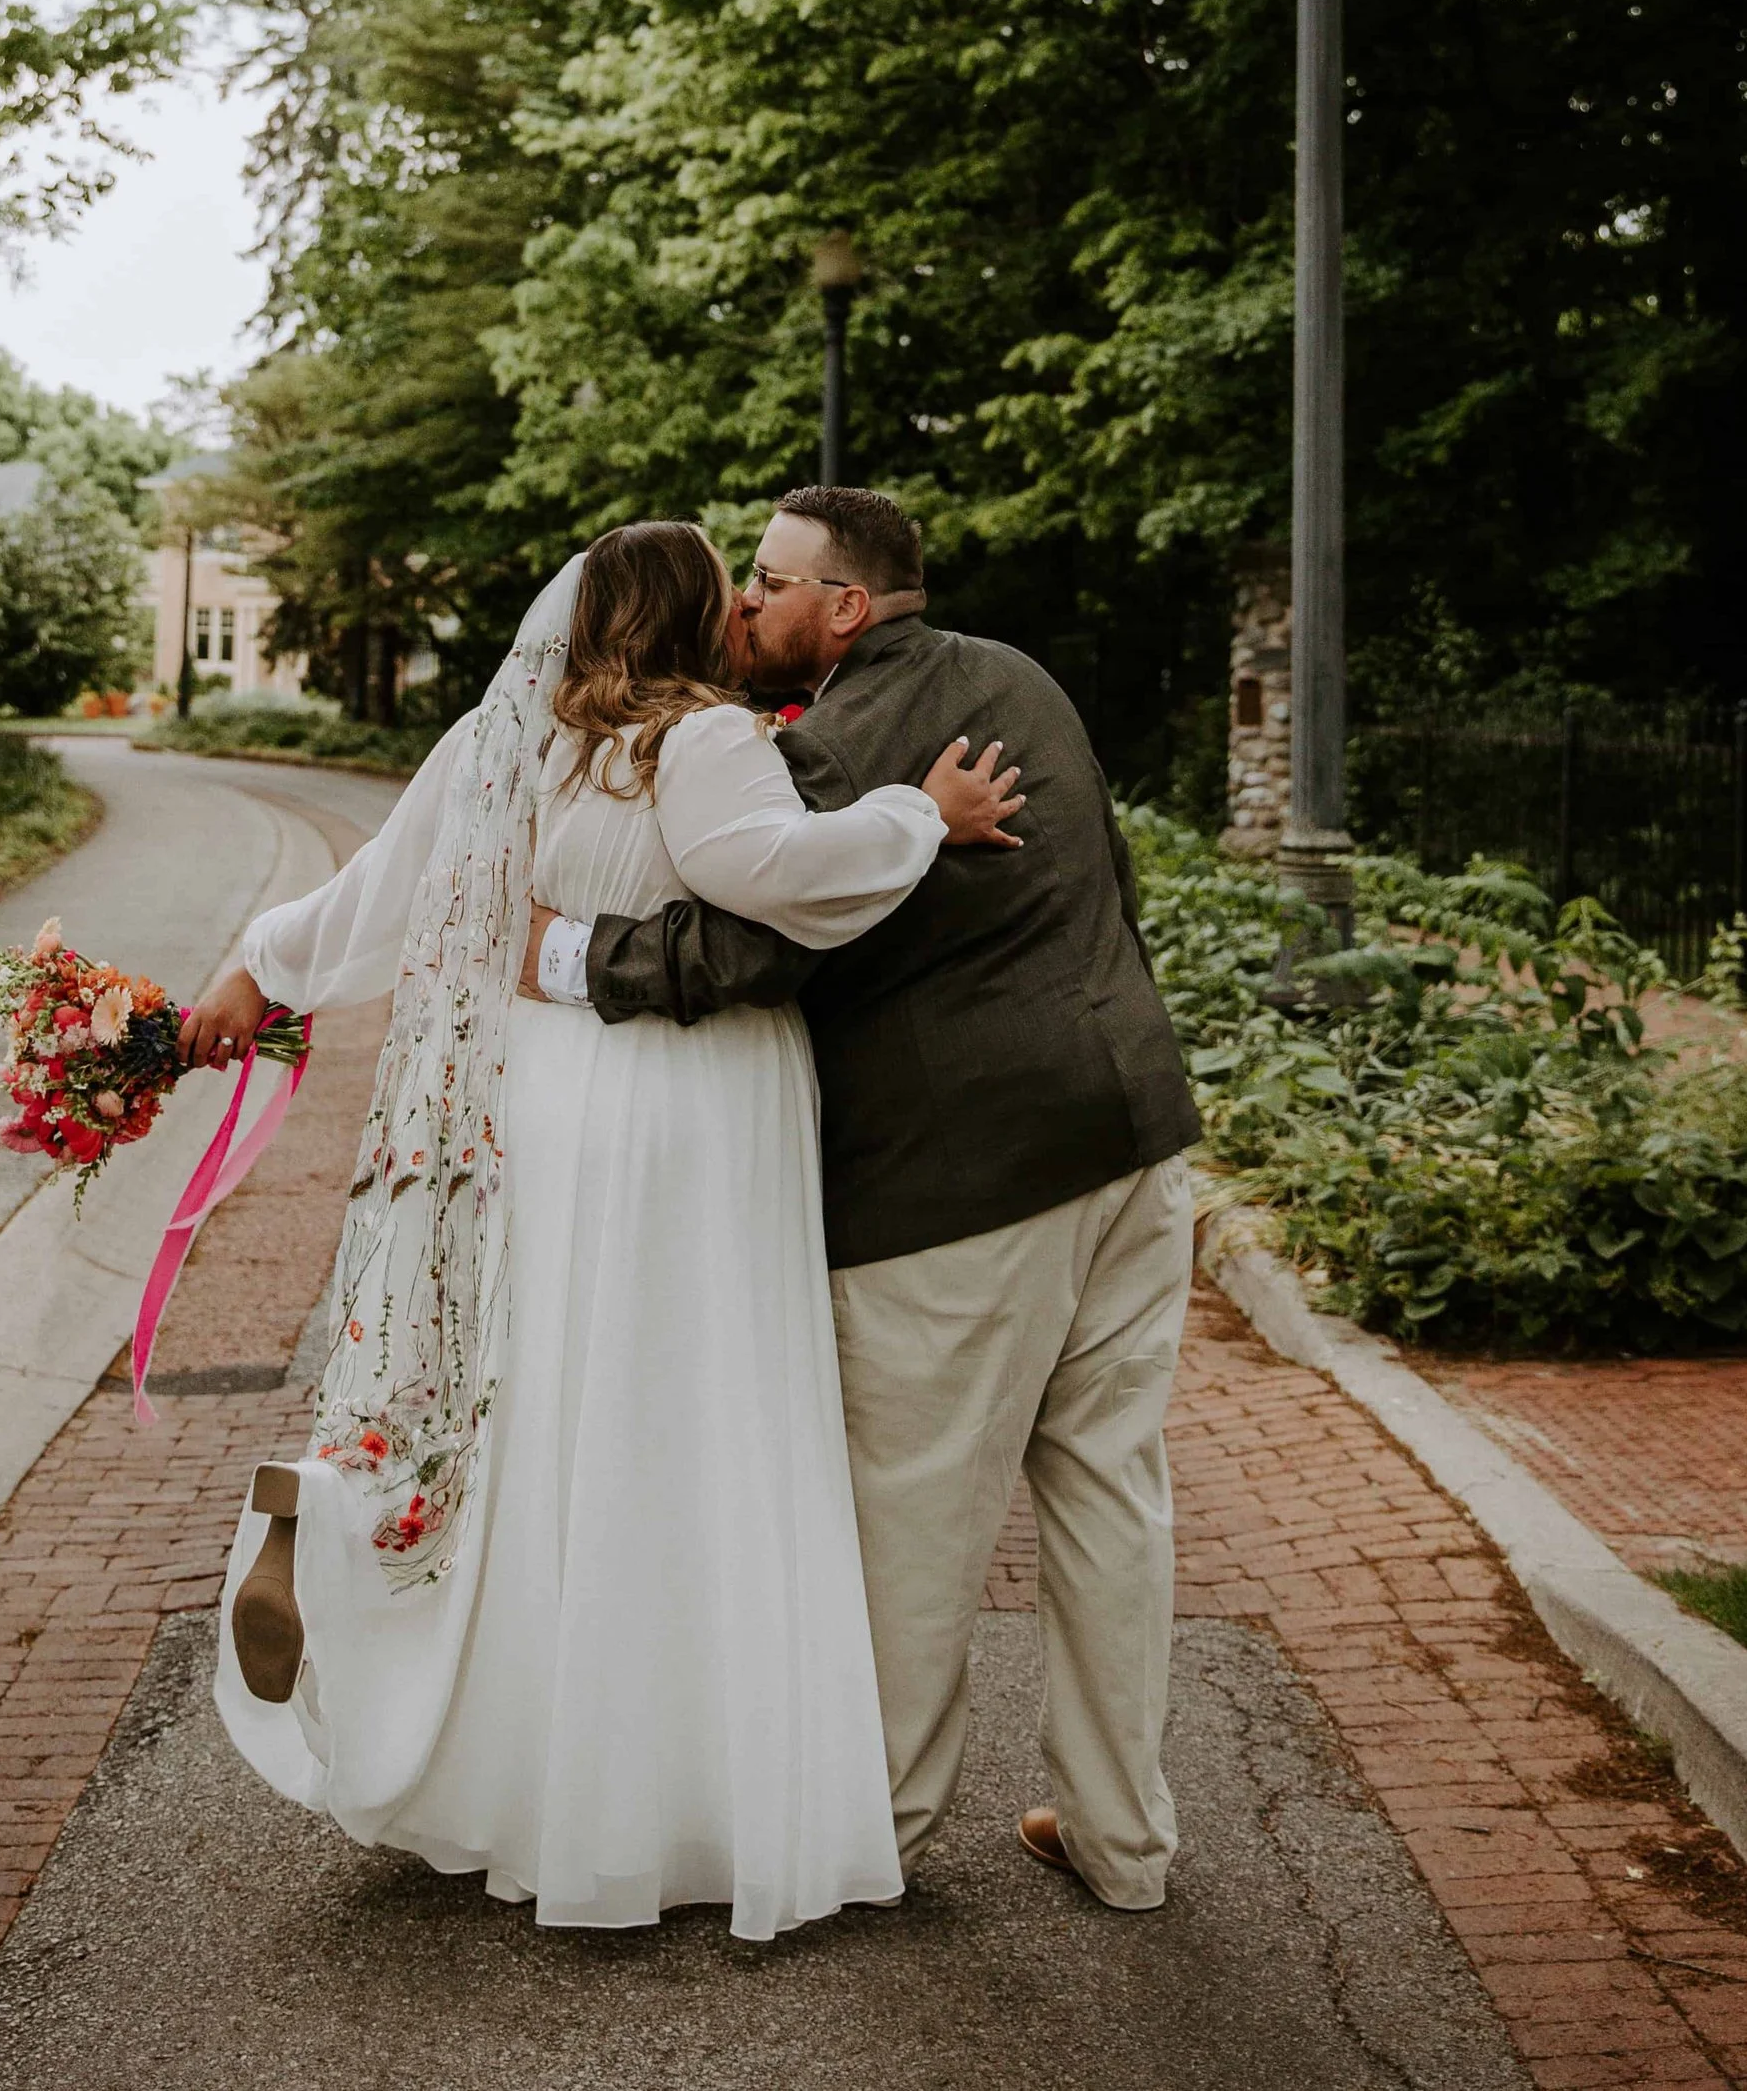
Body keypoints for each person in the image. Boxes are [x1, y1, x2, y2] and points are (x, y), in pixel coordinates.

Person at [178, 520, 1023, 1942]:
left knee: (562, 1416)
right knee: (693, 1423)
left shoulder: (512, 742)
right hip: (689, 1118)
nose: (751, 611)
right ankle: (685, 1791)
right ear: (692, 619)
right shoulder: (700, 741)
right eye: (731, 592)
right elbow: (784, 876)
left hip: (551, 1111)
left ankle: (536, 1768)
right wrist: (919, 817)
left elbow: (376, 899)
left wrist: (254, 970)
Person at [521, 485, 1200, 1912]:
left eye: (765, 580)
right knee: (1109, 1495)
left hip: (961, 1182)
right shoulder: (1022, 675)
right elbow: (1111, 886)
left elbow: (756, 947)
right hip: (1136, 1136)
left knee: (916, 1515)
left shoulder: (835, 743)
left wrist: (578, 956)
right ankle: (1124, 1840)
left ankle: (871, 1831)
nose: (740, 605)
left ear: (844, 607)